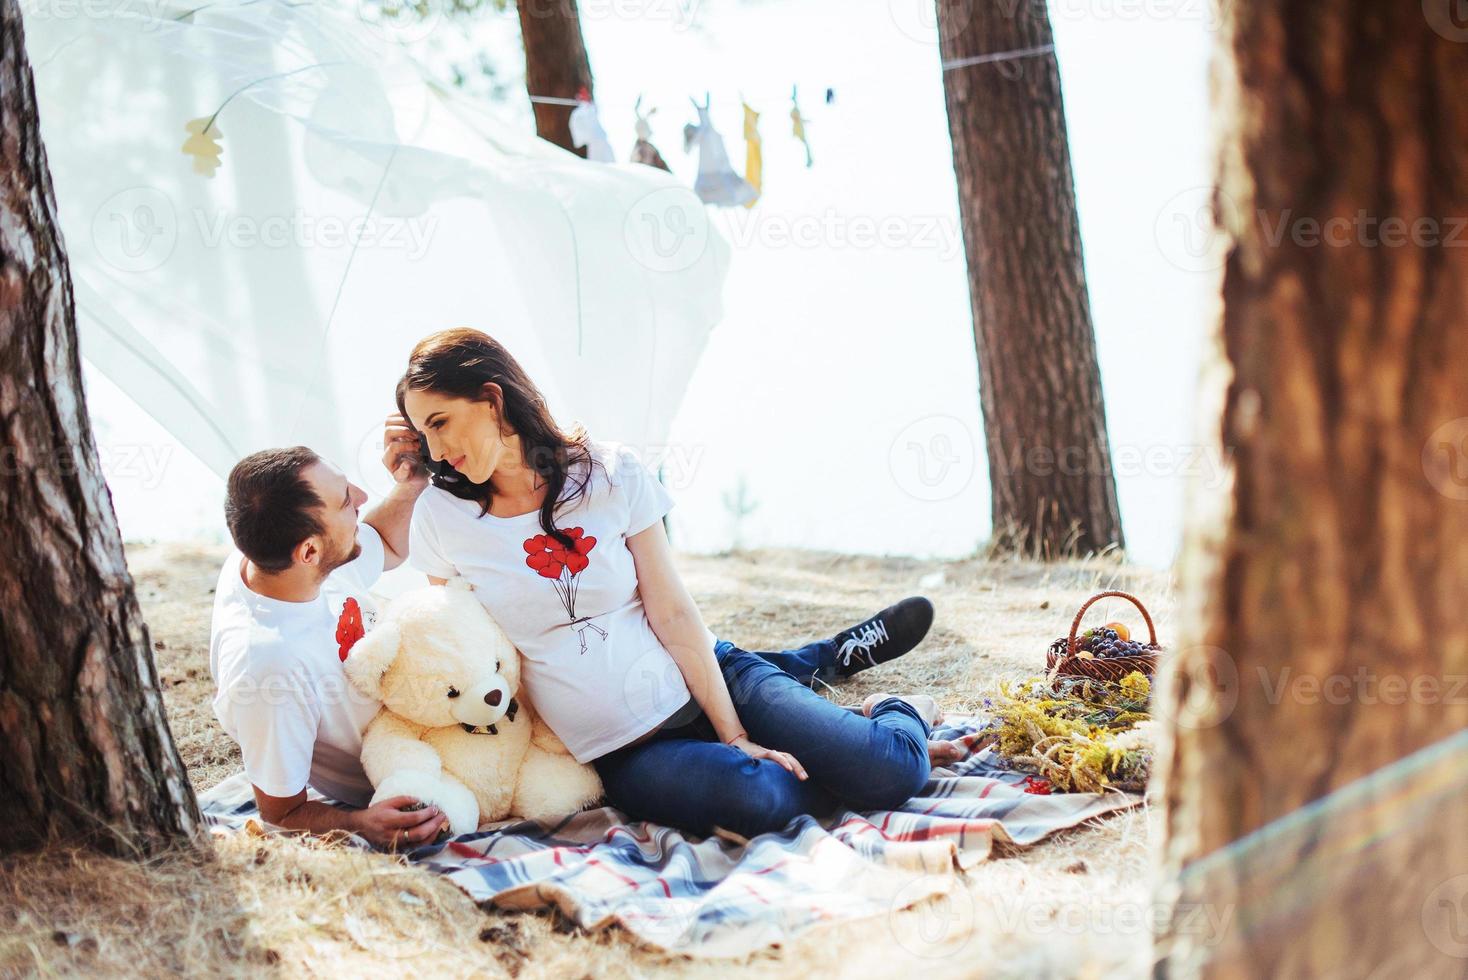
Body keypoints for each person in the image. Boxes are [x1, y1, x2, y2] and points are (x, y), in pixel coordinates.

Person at [398, 327, 958, 839]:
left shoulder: (609, 472)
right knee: (760, 798)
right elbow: (469, 652)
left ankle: (890, 708)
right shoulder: (442, 519)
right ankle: (821, 676)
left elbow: (672, 613)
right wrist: (404, 486)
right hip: (627, 755)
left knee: (893, 770)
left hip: (713, 680)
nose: (437, 450)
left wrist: (736, 736)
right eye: (424, 434)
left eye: (440, 422)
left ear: (492, 399)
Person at [207, 429, 453, 849]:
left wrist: (411, 485)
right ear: (309, 553)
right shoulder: (268, 668)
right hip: (415, 765)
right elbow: (281, 814)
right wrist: (362, 823)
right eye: (345, 501)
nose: (361, 497)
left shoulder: (280, 555)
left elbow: (388, 545)